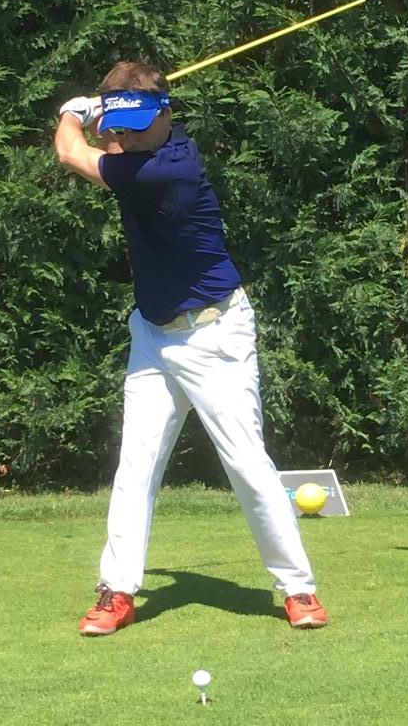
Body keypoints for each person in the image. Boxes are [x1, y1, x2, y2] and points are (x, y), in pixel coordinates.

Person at [53, 60, 327, 635]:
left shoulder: (169, 169)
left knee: (246, 463)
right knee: (135, 464)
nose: (127, 139)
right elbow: (111, 142)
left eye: (137, 128)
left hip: (214, 334)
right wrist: (106, 113)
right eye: (120, 129)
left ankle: (298, 589)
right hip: (153, 335)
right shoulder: (139, 148)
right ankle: (117, 590)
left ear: (167, 115)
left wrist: (73, 113)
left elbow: (72, 153)